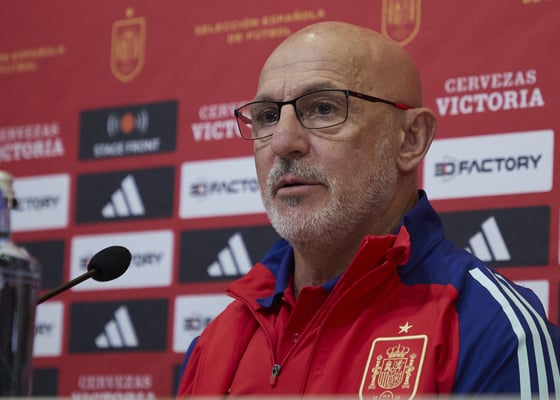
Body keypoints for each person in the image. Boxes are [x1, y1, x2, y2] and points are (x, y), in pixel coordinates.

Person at [177, 21, 560, 398]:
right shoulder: (216, 342)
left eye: (323, 108)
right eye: (267, 116)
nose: (282, 141)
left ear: (411, 139)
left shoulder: (492, 329)